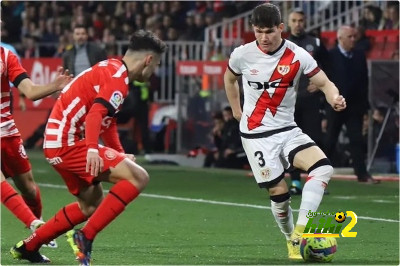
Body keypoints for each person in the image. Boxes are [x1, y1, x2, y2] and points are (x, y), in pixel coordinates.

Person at [10, 30, 167, 265]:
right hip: (68, 143)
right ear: (148, 60)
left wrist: (119, 153)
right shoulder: (118, 79)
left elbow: (107, 121)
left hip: (58, 143)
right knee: (138, 178)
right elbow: (95, 115)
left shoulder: (113, 68)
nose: (155, 70)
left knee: (90, 204)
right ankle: (85, 236)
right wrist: (93, 149)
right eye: (156, 64)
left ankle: (29, 246)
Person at [224, 3, 346, 260]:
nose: (264, 37)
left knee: (323, 168)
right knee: (279, 192)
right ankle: (292, 238)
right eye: (258, 31)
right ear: (253, 30)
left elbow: (324, 82)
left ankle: (302, 231)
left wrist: (334, 97)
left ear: (281, 28)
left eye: (269, 31)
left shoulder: (298, 55)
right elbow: (229, 78)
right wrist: (236, 110)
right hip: (256, 135)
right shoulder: (242, 55)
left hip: (287, 129)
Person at [1, 45, 72, 249]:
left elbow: (30, 91)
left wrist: (53, 85)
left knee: (29, 188)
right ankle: (37, 225)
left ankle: (37, 230)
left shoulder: (7, 56)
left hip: (7, 133)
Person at [24, 24, 107, 149]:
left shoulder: (97, 50)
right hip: (76, 93)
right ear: (73, 36)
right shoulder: (68, 54)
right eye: (78, 34)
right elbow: (66, 75)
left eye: (83, 34)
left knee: (95, 120)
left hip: (94, 92)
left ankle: (97, 148)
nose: (80, 37)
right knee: (62, 119)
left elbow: (105, 70)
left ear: (87, 35)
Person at [324, 25, 379, 184]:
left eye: (355, 37)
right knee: (330, 141)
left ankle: (362, 174)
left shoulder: (360, 55)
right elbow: (325, 81)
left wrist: (365, 106)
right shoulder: (330, 56)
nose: (354, 40)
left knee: (356, 140)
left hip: (354, 106)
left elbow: (364, 82)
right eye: (350, 37)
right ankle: (320, 174)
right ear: (340, 38)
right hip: (335, 105)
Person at [287, 9, 330, 195]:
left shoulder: (315, 43)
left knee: (315, 141)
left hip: (311, 102)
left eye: (301, 20)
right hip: (289, 104)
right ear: (288, 23)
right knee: (291, 143)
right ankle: (295, 182)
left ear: (305, 22)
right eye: (294, 20)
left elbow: (329, 67)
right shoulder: (282, 44)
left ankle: (316, 183)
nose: (298, 24)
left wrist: (320, 84)